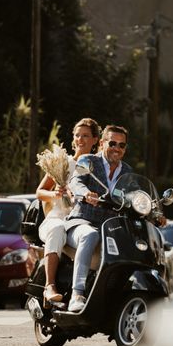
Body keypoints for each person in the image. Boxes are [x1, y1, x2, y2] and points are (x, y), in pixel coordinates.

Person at [65, 124, 132, 312]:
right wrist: (86, 193)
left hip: (110, 227)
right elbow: (75, 181)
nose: (117, 148)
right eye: (112, 143)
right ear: (102, 143)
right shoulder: (88, 161)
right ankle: (77, 294)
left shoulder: (127, 171)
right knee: (90, 235)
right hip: (82, 221)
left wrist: (153, 212)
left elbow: (135, 195)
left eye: (122, 145)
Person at [36, 118, 101, 305]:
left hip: (79, 222)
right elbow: (40, 192)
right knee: (57, 229)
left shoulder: (98, 168)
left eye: (86, 136)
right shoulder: (62, 163)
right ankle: (49, 286)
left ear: (95, 139)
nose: (80, 139)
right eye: (77, 135)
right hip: (56, 218)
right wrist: (55, 194)